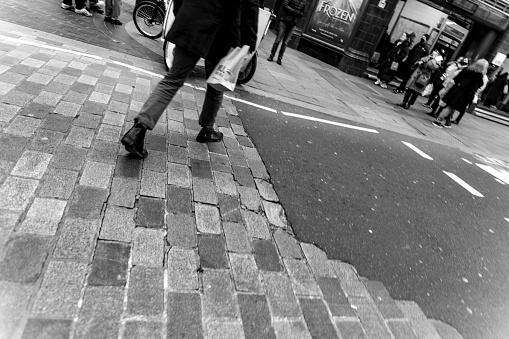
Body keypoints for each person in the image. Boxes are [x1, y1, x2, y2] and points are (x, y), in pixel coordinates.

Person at [121, 0, 259, 158]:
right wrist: (249, 44)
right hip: (222, 32)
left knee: (172, 79)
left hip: (191, 20)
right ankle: (207, 129)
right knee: (216, 84)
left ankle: (138, 130)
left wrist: (182, 13)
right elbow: (250, 8)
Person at [432, 59, 488, 128]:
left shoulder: (467, 69)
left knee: (451, 107)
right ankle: (438, 121)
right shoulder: (479, 77)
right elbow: (473, 89)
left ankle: (447, 122)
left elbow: (456, 79)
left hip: (455, 89)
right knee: (450, 107)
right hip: (463, 94)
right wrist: (469, 99)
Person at [267, 0, 307, 65]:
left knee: (285, 43)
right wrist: (293, 11)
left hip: (293, 24)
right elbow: (285, 5)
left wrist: (298, 13)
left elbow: (303, 13)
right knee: (278, 40)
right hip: (284, 21)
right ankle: (271, 56)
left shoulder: (304, 2)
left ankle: (279, 59)